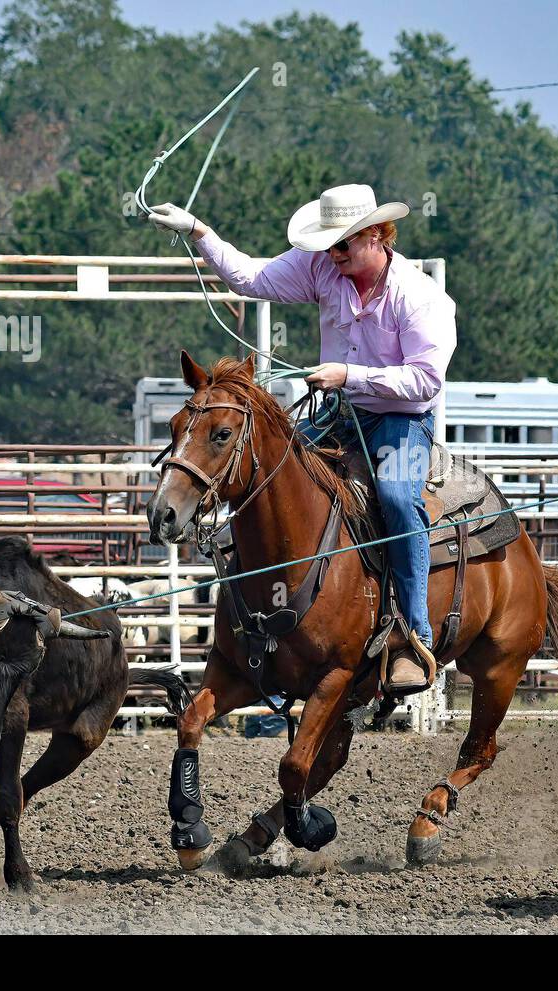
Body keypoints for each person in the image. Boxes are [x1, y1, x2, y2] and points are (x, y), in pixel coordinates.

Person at [147, 184, 456, 694]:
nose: (331, 255)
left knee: (400, 499)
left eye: (342, 246)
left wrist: (349, 375)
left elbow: (425, 380)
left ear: (376, 235)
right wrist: (199, 231)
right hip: (339, 411)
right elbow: (250, 278)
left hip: (400, 420)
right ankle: (261, 622)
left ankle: (414, 634)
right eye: (328, 245)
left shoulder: (419, 297)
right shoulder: (321, 268)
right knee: (264, 474)